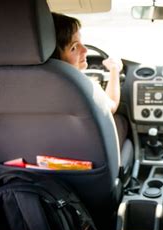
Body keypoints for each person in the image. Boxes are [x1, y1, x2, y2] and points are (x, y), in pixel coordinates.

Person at [51, 12, 128, 148]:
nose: (85, 50)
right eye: (74, 47)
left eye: (81, 42)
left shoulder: (8, 85)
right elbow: (112, 106)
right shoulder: (82, 87)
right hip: (80, 161)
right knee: (120, 121)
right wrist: (114, 70)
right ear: (53, 54)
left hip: (29, 163)